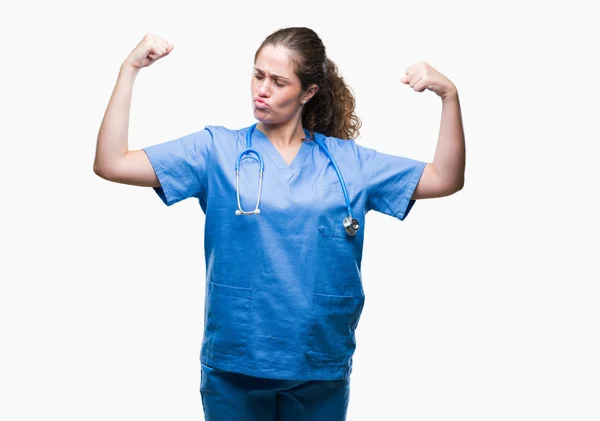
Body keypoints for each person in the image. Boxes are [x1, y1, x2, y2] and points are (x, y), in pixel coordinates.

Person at [94, 27, 465, 421]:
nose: (262, 89)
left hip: (317, 363)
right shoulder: (215, 151)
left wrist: (449, 97)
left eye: (278, 81)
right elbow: (111, 163)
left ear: (308, 92)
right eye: (258, 75)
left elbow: (445, 177)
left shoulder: (348, 163)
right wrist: (129, 69)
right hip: (236, 362)